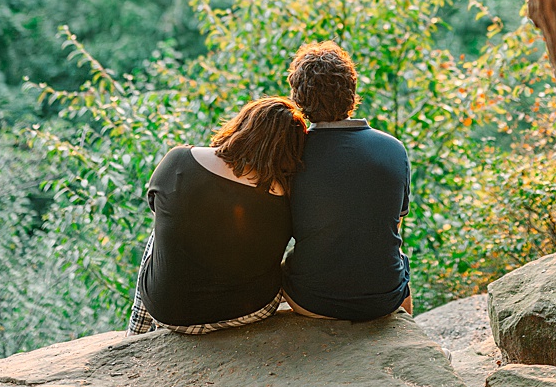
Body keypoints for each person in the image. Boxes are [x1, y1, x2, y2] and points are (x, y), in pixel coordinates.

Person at [128, 96, 308, 335]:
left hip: (169, 314)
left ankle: (136, 332)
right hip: (249, 312)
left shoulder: (179, 160)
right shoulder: (286, 198)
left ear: (243, 126)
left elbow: (155, 206)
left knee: (159, 231)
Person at [280, 40, 414, 321]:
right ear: (351, 91)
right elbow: (389, 227)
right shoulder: (393, 149)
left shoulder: (290, 155)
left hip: (311, 300)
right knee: (398, 260)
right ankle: (406, 334)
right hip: (383, 299)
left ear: (298, 98)